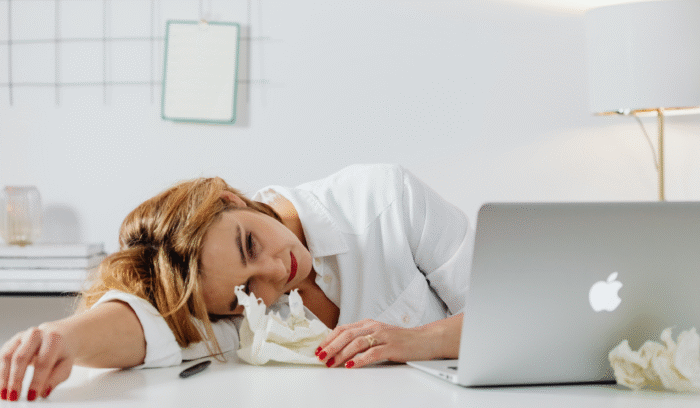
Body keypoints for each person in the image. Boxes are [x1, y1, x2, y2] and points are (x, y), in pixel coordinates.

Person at [0, 163, 473, 402]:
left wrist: (420, 340)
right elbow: (150, 327)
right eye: (245, 292)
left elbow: (525, 311)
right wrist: (59, 339)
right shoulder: (241, 312)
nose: (274, 273)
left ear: (229, 199)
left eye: (249, 245)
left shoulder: (382, 199)